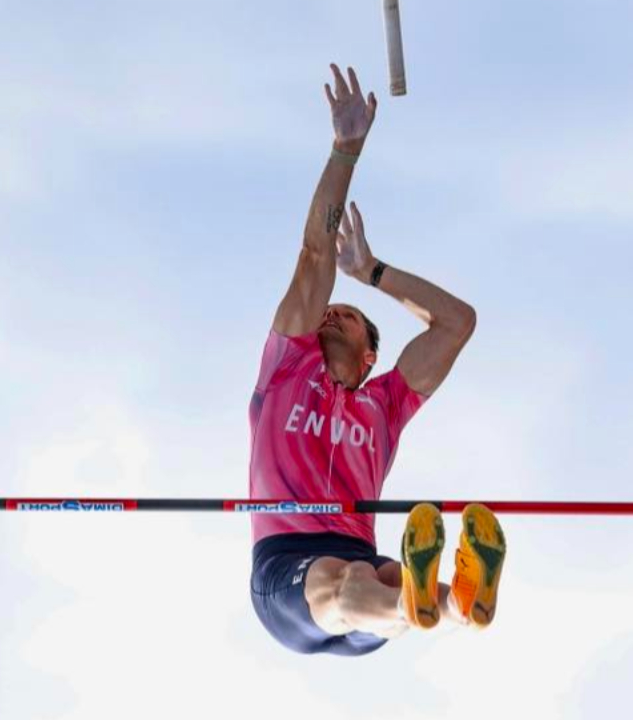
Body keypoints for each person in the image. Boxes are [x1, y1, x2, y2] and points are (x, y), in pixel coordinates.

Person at [248, 64, 507, 656]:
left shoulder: (382, 406)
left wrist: (372, 273)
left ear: (369, 355)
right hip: (290, 566)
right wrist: (345, 151)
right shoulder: (289, 367)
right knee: (356, 586)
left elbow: (457, 323)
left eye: (348, 312)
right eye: (326, 311)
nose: (329, 314)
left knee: (370, 580)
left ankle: (458, 601)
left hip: (353, 565)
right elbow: (316, 252)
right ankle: (442, 604)